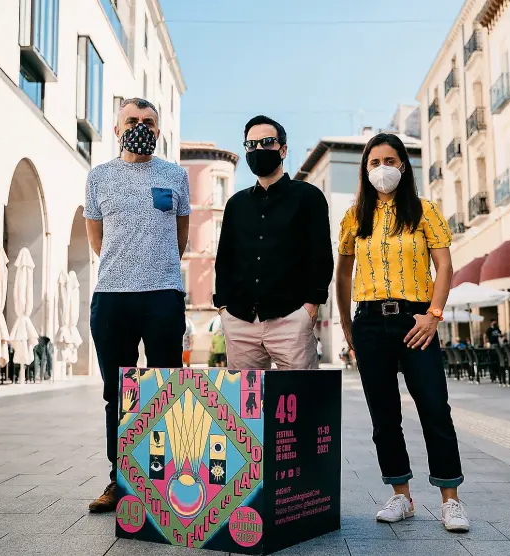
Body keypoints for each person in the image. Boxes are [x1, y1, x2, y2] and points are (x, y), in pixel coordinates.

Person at [336, 133, 469, 533]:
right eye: (374, 162)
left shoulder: (426, 211)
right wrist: (347, 326)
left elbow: (444, 267)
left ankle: (451, 501)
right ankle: (401, 495)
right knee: (384, 414)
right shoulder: (354, 216)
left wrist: (434, 314)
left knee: (434, 406)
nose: (382, 169)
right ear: (365, 168)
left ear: (403, 166)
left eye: (390, 160)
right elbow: (342, 275)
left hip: (417, 320)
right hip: (370, 322)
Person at [84, 98, 190, 513]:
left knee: (167, 389)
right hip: (112, 298)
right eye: (132, 120)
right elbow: (97, 240)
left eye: (148, 121)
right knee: (117, 394)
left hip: (163, 295)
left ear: (158, 130)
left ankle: (165, 481)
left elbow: (180, 238)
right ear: (116, 129)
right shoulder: (98, 177)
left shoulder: (175, 175)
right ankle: (120, 481)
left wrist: (156, 268)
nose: (140, 126)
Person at [214, 115, 333, 370]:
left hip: (291, 319)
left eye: (267, 143)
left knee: (299, 404)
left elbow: (321, 256)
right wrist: (223, 308)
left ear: (283, 149)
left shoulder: (308, 197)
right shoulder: (236, 204)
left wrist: (310, 308)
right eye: (251, 145)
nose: (259, 149)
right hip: (240, 321)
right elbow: (224, 259)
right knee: (246, 408)